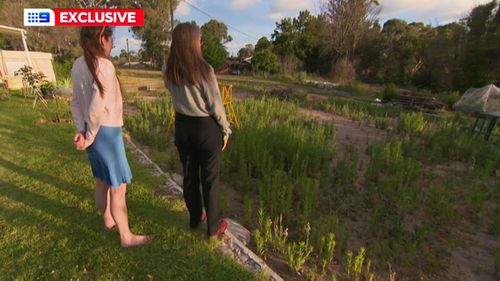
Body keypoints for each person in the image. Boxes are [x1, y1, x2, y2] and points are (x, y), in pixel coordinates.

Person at [70, 26, 152, 247]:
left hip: (92, 129)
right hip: (104, 132)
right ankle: (126, 237)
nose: (113, 44)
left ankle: (108, 220)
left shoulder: (77, 65)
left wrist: (82, 130)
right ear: (101, 39)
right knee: (117, 186)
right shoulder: (104, 66)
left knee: (101, 181)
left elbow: (76, 102)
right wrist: (89, 134)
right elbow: (98, 105)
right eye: (110, 39)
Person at [163, 22, 231, 238]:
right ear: (193, 43)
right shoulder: (204, 69)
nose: (201, 43)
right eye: (199, 40)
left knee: (190, 175)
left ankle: (195, 219)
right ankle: (213, 227)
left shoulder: (168, 69)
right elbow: (216, 105)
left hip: (182, 127)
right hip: (205, 128)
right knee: (210, 178)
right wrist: (225, 130)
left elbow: (172, 90)